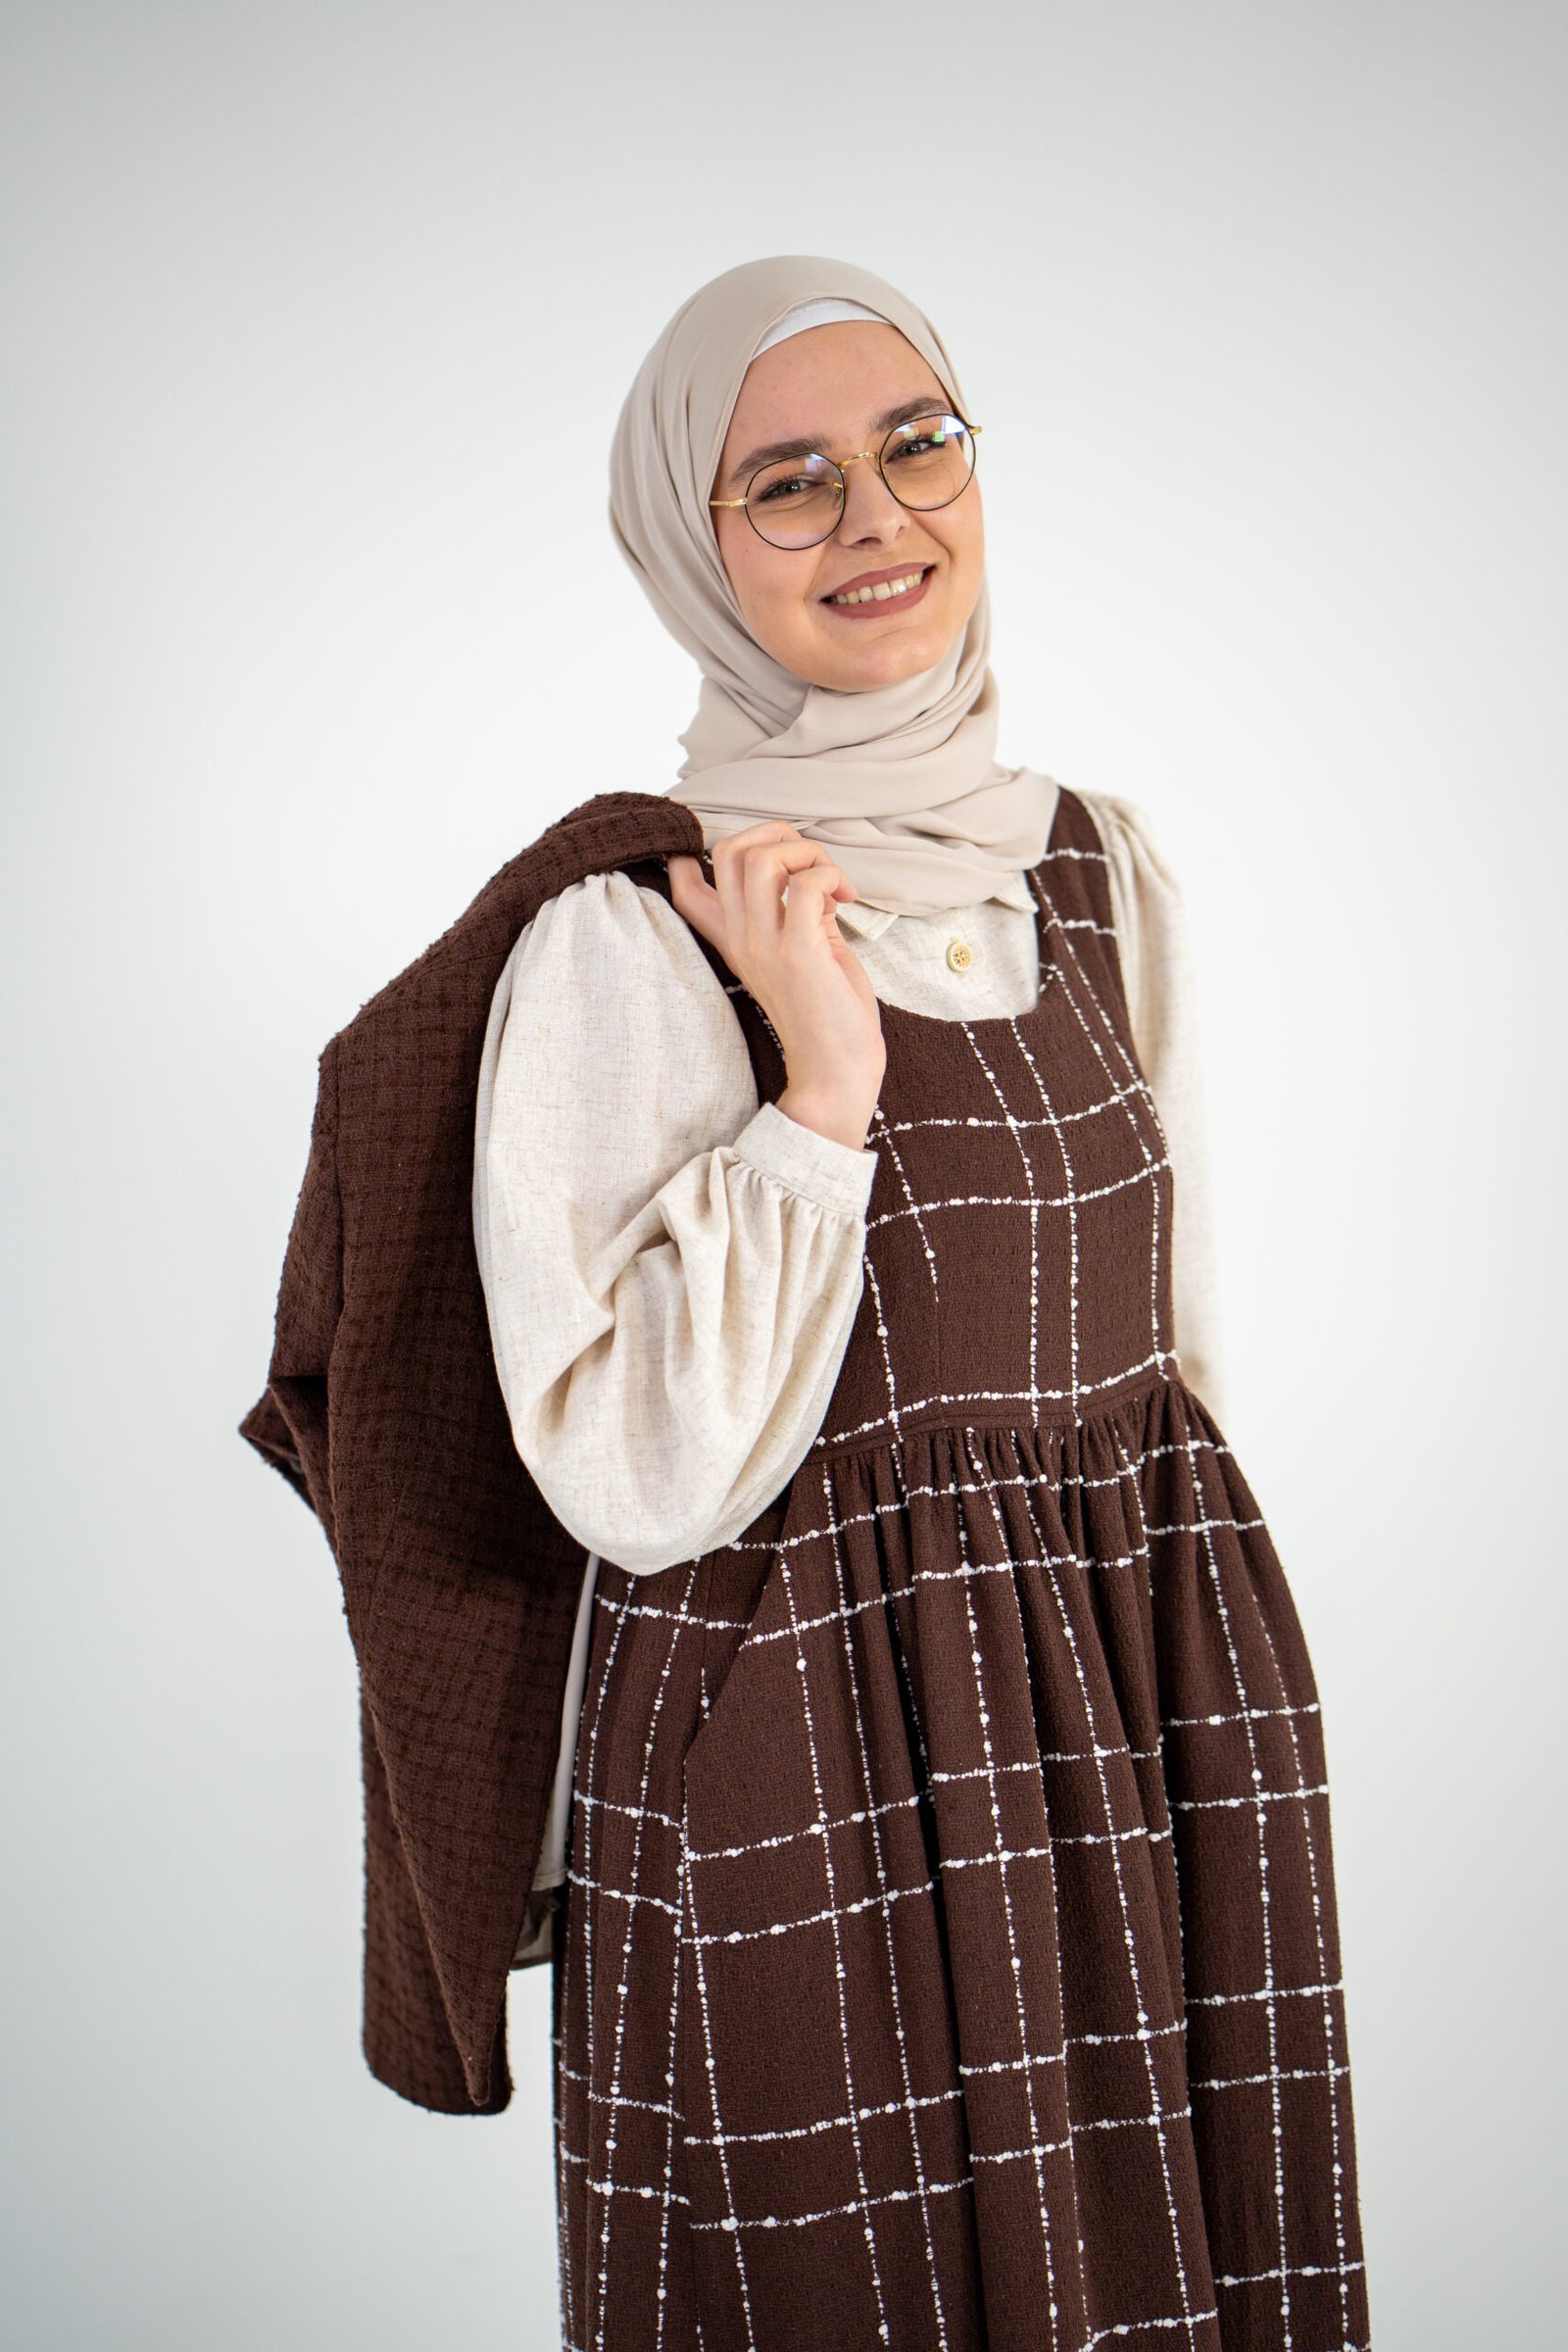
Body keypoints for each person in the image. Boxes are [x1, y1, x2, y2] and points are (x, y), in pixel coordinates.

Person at [471, 257, 1371, 2351]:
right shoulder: (631, 935)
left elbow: (1168, 1344)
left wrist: (1187, 1702)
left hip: (1132, 1710)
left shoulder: (1097, 870)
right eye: (785, 482)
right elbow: (629, 1477)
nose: (875, 519)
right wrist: (819, 1093)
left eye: (915, 446)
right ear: (687, 545)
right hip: (807, 1749)